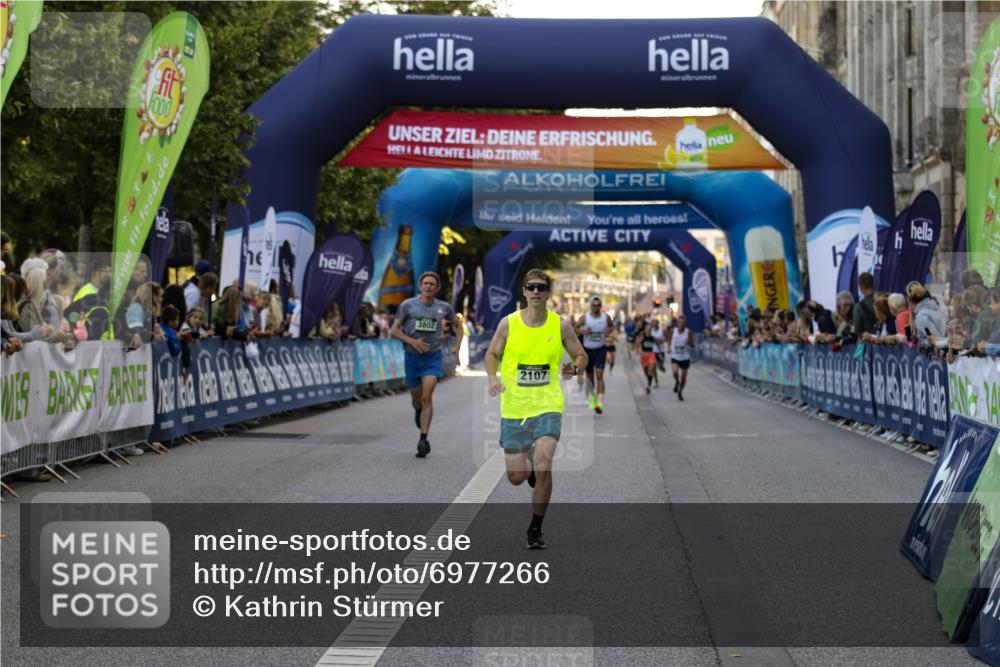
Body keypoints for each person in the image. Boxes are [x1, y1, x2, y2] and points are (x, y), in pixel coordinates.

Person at [484, 269, 588, 549]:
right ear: (524, 291)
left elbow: (581, 354)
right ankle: (527, 470)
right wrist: (493, 378)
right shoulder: (509, 324)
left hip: (548, 405)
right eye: (531, 287)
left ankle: (535, 528)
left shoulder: (560, 325)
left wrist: (575, 367)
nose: (536, 292)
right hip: (514, 408)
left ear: (548, 293)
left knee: (544, 465)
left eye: (541, 288)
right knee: (516, 477)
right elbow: (492, 353)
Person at [391, 272, 462, 458]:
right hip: (412, 357)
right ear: (420, 285)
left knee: (426, 396)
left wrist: (456, 347)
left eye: (432, 284)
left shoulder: (444, 307)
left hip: (433, 356)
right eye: (426, 283)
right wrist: (412, 342)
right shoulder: (408, 305)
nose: (429, 286)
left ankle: (423, 439)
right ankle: (418, 411)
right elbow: (394, 330)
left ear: (437, 288)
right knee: (417, 400)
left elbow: (459, 325)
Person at [575, 296, 614, 414]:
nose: (596, 307)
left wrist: (609, 331)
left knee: (599, 375)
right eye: (594, 305)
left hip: (600, 350)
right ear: (590, 306)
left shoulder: (605, 317)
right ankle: (592, 398)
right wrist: (583, 331)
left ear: (601, 306)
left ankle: (600, 403)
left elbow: (612, 326)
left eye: (598, 305)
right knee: (590, 378)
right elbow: (575, 328)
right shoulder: (585, 318)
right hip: (588, 351)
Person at [669, 314, 695, 400]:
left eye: (683, 323)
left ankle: (680, 392)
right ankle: (677, 381)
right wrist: (669, 347)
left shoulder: (689, 332)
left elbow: (692, 345)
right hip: (675, 356)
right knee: (675, 373)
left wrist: (689, 342)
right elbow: (669, 339)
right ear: (677, 323)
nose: (681, 324)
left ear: (685, 323)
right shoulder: (673, 331)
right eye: (680, 322)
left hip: (685, 357)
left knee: (683, 379)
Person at [633, 319, 658, 394]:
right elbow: (636, 346)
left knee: (650, 371)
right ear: (645, 330)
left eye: (650, 330)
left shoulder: (653, 338)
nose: (649, 331)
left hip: (651, 355)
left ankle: (648, 386)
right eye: (647, 329)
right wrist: (639, 352)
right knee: (646, 373)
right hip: (644, 356)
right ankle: (649, 381)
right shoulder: (642, 337)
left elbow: (658, 344)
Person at [852, 272, 878, 336]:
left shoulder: (858, 307)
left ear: (860, 287)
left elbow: (858, 330)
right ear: (873, 284)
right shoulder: (884, 299)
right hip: (889, 342)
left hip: (868, 343)